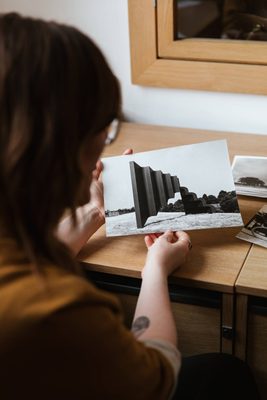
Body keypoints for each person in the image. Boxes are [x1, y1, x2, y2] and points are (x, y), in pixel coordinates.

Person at [0, 12, 260, 400]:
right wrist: (155, 269)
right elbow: (158, 373)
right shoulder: (53, 310)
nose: (101, 152)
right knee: (229, 373)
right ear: (57, 146)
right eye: (101, 133)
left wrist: (93, 213)